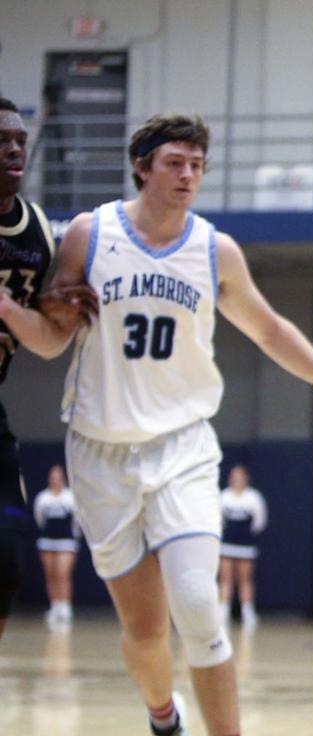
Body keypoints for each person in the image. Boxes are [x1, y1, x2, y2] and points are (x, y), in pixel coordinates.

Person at [43, 113, 313, 736]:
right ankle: (166, 723)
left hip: (184, 446)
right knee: (145, 629)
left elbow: (270, 328)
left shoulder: (214, 249)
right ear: (141, 167)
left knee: (198, 600)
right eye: (174, 161)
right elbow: (54, 319)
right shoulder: (87, 234)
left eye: (197, 162)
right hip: (99, 452)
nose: (188, 173)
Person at [0, 98, 97, 642]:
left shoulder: (35, 228)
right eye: (1, 141)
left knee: (8, 560)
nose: (15, 148)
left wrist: (58, 311)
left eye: (19, 139)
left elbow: (44, 340)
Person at [218, 464, 266, 630]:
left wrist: (246, 536)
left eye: (240, 477)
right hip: (227, 545)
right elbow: (219, 521)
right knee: (225, 579)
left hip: (245, 545)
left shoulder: (253, 497)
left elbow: (259, 522)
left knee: (245, 579)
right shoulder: (224, 496)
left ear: (246, 479)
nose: (237, 480)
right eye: (234, 477)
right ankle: (223, 612)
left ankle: (248, 613)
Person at [33, 464, 79, 631]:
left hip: (66, 541)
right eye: (52, 476)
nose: (55, 479)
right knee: (51, 574)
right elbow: (39, 519)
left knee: (62, 573)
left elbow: (77, 521)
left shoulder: (70, 498)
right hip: (47, 540)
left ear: (63, 478)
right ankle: (55, 606)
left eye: (58, 476)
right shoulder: (43, 498)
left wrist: (73, 536)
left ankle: (65, 607)